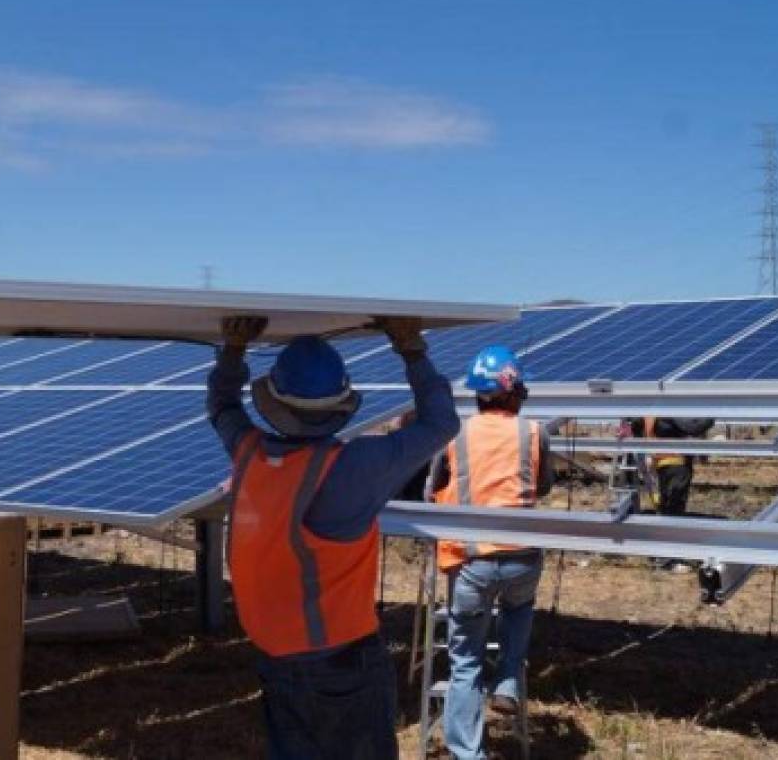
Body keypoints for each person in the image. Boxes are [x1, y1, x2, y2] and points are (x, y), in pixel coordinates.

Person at [208, 315, 459, 760]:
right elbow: (440, 423)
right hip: (340, 664)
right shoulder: (352, 468)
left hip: (274, 655)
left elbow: (223, 407)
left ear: (276, 403)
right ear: (341, 403)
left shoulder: (248, 452)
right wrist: (411, 349)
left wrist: (233, 350)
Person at [427, 345, 553, 760]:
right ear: (512, 389)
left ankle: (468, 753)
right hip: (521, 557)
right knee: (518, 610)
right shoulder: (534, 432)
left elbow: (431, 490)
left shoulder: (453, 434)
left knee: (465, 661)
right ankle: (508, 683)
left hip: (471, 561)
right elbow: (546, 485)